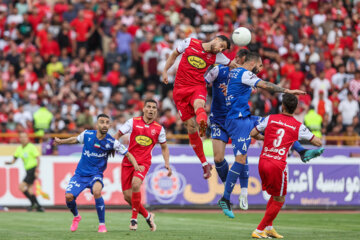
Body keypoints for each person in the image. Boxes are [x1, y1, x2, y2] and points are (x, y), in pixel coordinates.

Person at [205, 50, 323, 211]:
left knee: (277, 124)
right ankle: (225, 198)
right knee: (240, 160)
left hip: (245, 117)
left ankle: (301, 151)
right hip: (237, 121)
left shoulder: (236, 73)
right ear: (252, 63)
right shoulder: (243, 73)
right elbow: (265, 85)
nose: (260, 69)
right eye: (259, 66)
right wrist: (287, 91)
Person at [162, 35, 238, 179]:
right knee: (191, 128)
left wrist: (251, 72)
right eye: (221, 45)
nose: (220, 49)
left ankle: (202, 121)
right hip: (179, 90)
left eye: (223, 49)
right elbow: (174, 55)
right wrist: (165, 71)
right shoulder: (190, 42)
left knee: (199, 105)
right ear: (216, 39)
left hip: (197, 87)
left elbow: (234, 65)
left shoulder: (218, 57)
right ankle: (204, 164)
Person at [250, 93, 323, 239]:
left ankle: (269, 228)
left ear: (282, 106)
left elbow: (253, 133)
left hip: (263, 161)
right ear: (295, 108)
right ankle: (258, 230)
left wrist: (268, 138)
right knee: (280, 199)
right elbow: (318, 143)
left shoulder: (270, 118)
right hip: (278, 164)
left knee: (274, 195)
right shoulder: (298, 126)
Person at [53, 114, 138, 233]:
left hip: (95, 175)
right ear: (97, 124)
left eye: (107, 122)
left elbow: (128, 154)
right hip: (80, 175)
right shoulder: (87, 134)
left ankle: (102, 225)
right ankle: (77, 216)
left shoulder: (111, 142)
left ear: (110, 125)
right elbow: (75, 139)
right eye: (102, 122)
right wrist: (61, 141)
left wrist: (136, 166)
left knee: (97, 191)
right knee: (68, 197)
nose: (104, 124)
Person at [114, 99, 172, 231]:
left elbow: (164, 148)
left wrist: (167, 163)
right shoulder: (132, 122)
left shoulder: (159, 129)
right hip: (128, 161)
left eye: (154, 108)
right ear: (144, 109)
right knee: (128, 197)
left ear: (156, 111)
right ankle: (147, 215)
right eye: (149, 107)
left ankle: (133, 220)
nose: (151, 110)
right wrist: (109, 145)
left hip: (143, 162)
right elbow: (117, 134)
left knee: (136, 184)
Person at [5, 132, 44, 212]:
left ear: (27, 138)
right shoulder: (19, 149)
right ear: (19, 139)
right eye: (21, 137)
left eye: (24, 137)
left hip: (32, 169)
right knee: (30, 189)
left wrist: (36, 170)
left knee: (21, 187)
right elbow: (14, 159)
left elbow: (38, 158)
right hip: (28, 170)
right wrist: (9, 163)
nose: (23, 138)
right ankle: (38, 206)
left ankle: (34, 204)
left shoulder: (31, 147)